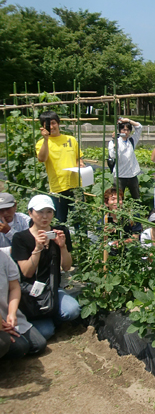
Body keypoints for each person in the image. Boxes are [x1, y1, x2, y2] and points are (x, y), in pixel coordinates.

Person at [11, 195, 80, 340]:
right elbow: (27, 273)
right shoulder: (20, 238)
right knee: (46, 332)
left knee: (72, 311)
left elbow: (66, 267)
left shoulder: (60, 232)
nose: (44, 216)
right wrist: (37, 249)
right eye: (40, 212)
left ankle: (51, 315)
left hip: (53, 288)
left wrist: (62, 246)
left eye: (49, 211)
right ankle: (45, 318)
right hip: (32, 293)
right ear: (30, 213)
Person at [36, 111, 86, 223]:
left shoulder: (70, 140)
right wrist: (45, 139)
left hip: (75, 187)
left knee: (80, 221)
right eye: (48, 124)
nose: (52, 126)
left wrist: (81, 165)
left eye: (54, 123)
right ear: (43, 127)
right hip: (57, 189)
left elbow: (78, 158)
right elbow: (42, 158)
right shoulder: (41, 143)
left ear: (58, 123)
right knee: (59, 222)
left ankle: (80, 240)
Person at [0, 250, 47, 359]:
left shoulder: (3, 257)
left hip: (5, 314)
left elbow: (14, 287)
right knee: (18, 347)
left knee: (38, 344)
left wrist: (11, 313)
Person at [109, 117, 142, 200]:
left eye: (127, 130)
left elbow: (139, 127)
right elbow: (112, 155)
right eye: (123, 130)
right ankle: (118, 212)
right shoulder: (113, 142)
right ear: (119, 131)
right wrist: (115, 143)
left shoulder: (131, 140)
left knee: (136, 197)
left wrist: (128, 120)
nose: (125, 132)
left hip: (132, 174)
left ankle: (137, 212)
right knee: (118, 198)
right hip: (120, 175)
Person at [102, 188, 142, 256]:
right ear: (106, 203)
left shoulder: (132, 216)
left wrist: (122, 242)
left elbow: (135, 238)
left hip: (129, 250)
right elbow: (101, 243)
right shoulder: (103, 221)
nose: (116, 202)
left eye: (119, 199)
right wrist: (105, 234)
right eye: (113, 199)